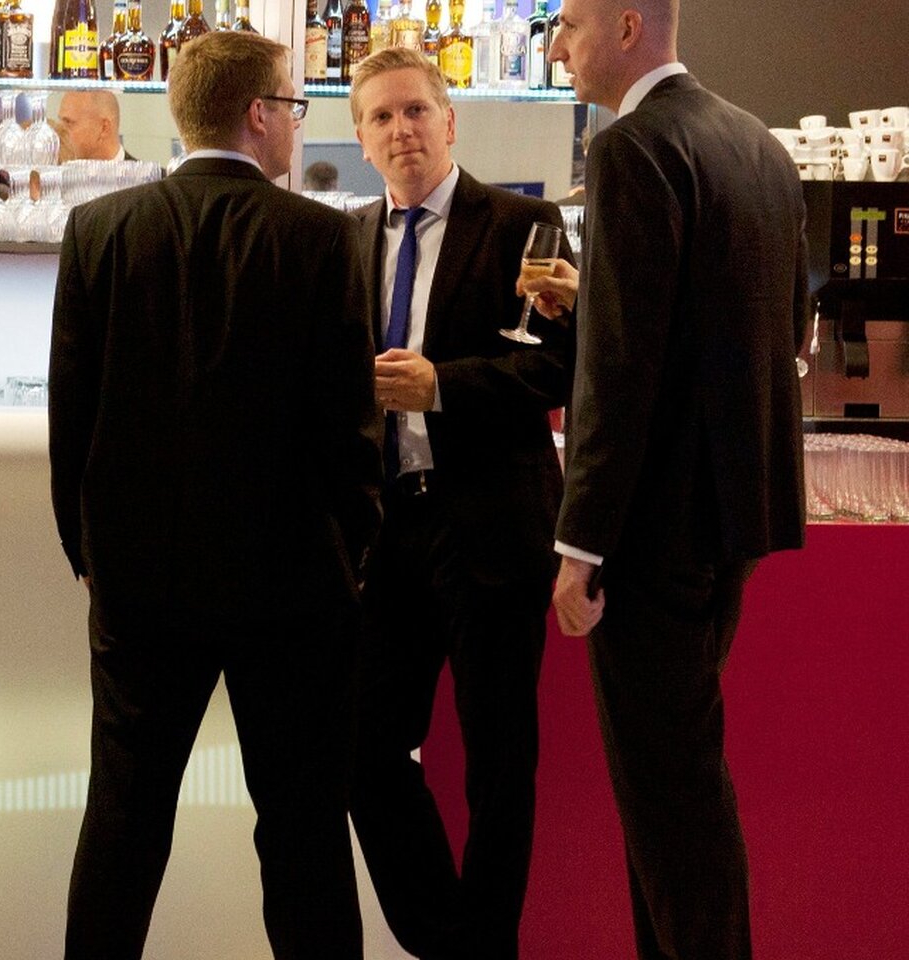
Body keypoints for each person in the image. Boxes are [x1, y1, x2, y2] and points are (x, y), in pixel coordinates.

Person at [48, 31, 382, 960]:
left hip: (141, 583)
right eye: (294, 106)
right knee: (303, 828)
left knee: (124, 818)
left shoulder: (100, 229)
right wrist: (353, 551)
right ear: (259, 115)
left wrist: (89, 554)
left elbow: (72, 416)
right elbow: (349, 427)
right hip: (291, 583)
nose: (296, 124)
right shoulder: (320, 236)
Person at [524, 1, 809, 958]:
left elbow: (622, 369)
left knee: (673, 806)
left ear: (627, 29)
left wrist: (579, 544)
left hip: (652, 534)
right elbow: (778, 327)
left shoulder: (629, 148)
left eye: (570, 24)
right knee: (674, 790)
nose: (558, 46)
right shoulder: (756, 143)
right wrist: (596, 294)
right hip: (735, 518)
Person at [347, 47, 580, 960]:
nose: (401, 130)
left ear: (450, 122)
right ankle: (449, 939)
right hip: (387, 531)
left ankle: (485, 947)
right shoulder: (347, 238)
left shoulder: (525, 224)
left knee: (499, 766)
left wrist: (441, 385)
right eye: (382, 117)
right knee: (363, 749)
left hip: (490, 525)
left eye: (416, 111)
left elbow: (560, 369)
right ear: (361, 139)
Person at [57, 90, 136, 161]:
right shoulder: (56, 171)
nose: (58, 133)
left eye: (68, 123)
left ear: (104, 128)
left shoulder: (140, 172)